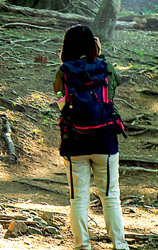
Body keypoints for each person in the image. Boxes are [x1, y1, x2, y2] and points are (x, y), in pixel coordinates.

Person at [54, 24, 128, 250]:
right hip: (105, 140)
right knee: (110, 197)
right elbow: (116, 83)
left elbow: (60, 101)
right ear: (92, 44)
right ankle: (120, 246)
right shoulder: (105, 68)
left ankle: (82, 246)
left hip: (74, 142)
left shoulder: (63, 72)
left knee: (78, 199)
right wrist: (99, 54)